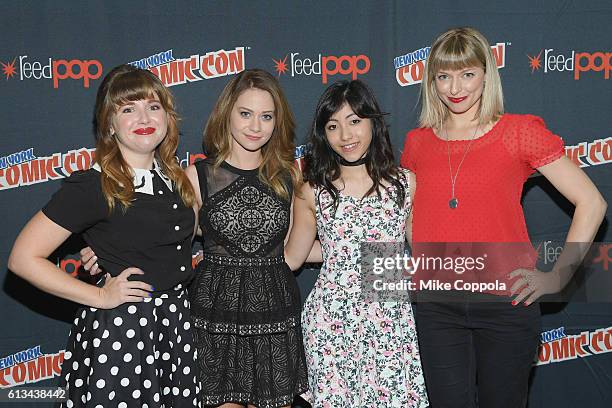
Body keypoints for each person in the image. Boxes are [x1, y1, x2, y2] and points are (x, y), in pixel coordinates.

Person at [400, 27, 607, 408]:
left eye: (467, 74)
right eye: (443, 75)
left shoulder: (518, 132)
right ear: (432, 80)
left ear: (486, 74)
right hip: (437, 308)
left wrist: (558, 276)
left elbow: (592, 203)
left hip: (504, 304)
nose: (454, 87)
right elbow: (411, 214)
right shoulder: (418, 141)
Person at [8, 64, 200, 407]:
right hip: (123, 331)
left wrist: (108, 248)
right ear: (109, 124)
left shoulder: (174, 178)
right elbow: (23, 259)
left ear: (168, 117)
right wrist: (99, 298)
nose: (144, 116)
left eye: (153, 107)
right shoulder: (94, 186)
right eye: (128, 109)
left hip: (175, 325)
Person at [285, 79, 429, 407]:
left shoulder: (404, 183)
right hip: (330, 322)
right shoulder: (312, 191)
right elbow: (294, 257)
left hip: (390, 320)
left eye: (354, 121)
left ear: (372, 123)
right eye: (334, 126)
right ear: (324, 134)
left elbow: (421, 253)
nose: (346, 136)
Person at [184, 69, 309, 408]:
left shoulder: (290, 176)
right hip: (216, 308)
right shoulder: (196, 176)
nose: (256, 126)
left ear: (276, 122)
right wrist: (109, 248)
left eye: (266, 116)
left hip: (275, 307)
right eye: (245, 113)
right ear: (227, 113)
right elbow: (167, 239)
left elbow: (297, 251)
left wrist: (362, 248)